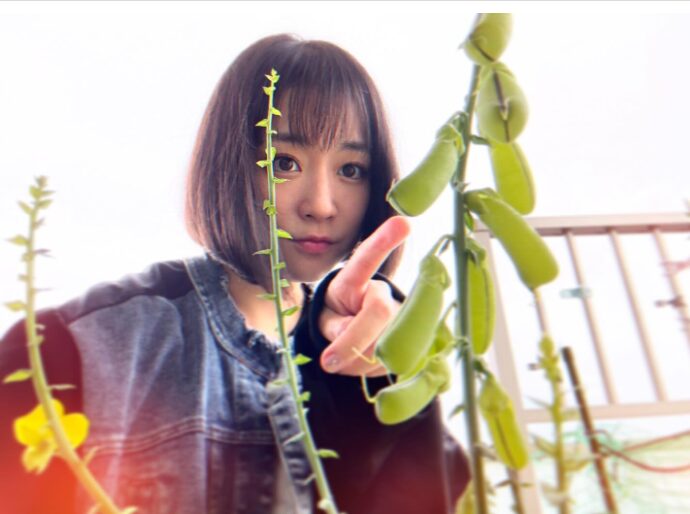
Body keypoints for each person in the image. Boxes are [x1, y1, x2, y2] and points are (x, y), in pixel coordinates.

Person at [0, 34, 469, 513]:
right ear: (228, 162)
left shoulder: (378, 354)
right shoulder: (68, 349)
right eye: (284, 162)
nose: (321, 205)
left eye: (351, 170)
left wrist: (378, 379)